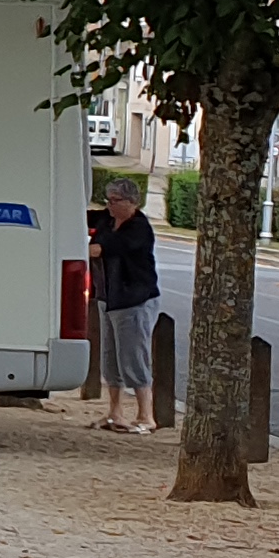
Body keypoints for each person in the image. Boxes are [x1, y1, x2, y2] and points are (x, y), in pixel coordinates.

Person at [89, 179, 162, 433]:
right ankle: (115, 411)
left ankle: (146, 415)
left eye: (115, 200)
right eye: (108, 199)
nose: (109, 205)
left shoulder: (138, 228)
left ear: (132, 202)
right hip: (109, 298)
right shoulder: (107, 220)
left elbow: (102, 250)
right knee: (110, 357)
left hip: (134, 300)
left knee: (133, 356)